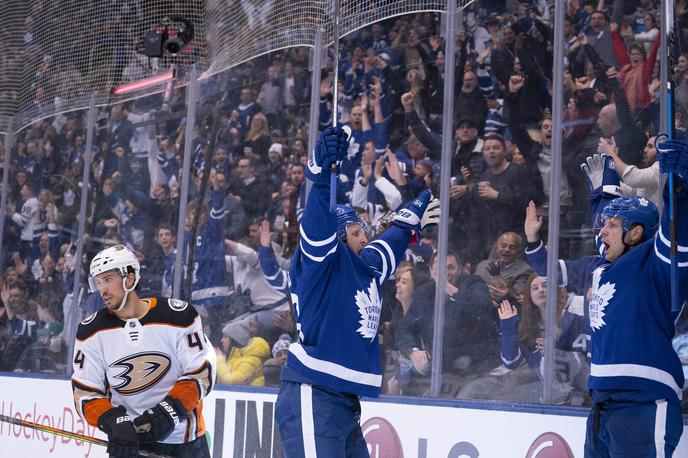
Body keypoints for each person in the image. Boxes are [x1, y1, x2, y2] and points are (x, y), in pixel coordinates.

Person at [275, 127, 440, 457]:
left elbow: (388, 247)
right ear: (336, 238)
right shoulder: (319, 263)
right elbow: (317, 225)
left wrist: (410, 218)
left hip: (344, 403)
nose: (363, 237)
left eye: (363, 231)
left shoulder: (364, 267)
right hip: (313, 392)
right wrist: (321, 174)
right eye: (354, 232)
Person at [71, 245, 216, 458]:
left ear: (129, 279)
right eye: (98, 282)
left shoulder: (178, 316)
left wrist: (171, 409)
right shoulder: (91, 331)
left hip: (185, 441)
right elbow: (85, 391)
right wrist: (112, 421)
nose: (102, 289)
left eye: (108, 279)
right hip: (130, 444)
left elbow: (201, 372)